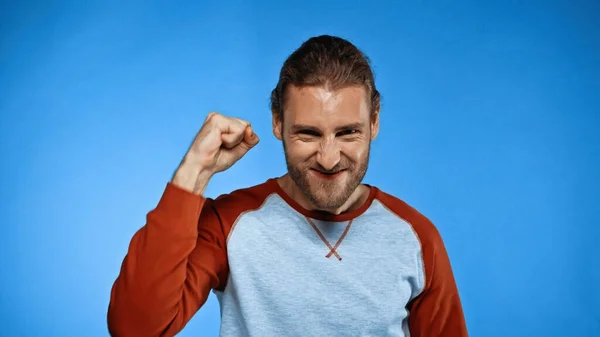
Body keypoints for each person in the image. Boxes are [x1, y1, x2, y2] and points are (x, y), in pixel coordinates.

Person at [107, 35, 468, 337]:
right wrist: (193, 173)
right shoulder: (230, 222)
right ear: (278, 123)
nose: (328, 158)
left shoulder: (416, 237)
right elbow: (136, 328)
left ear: (374, 123)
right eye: (308, 134)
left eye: (348, 133)